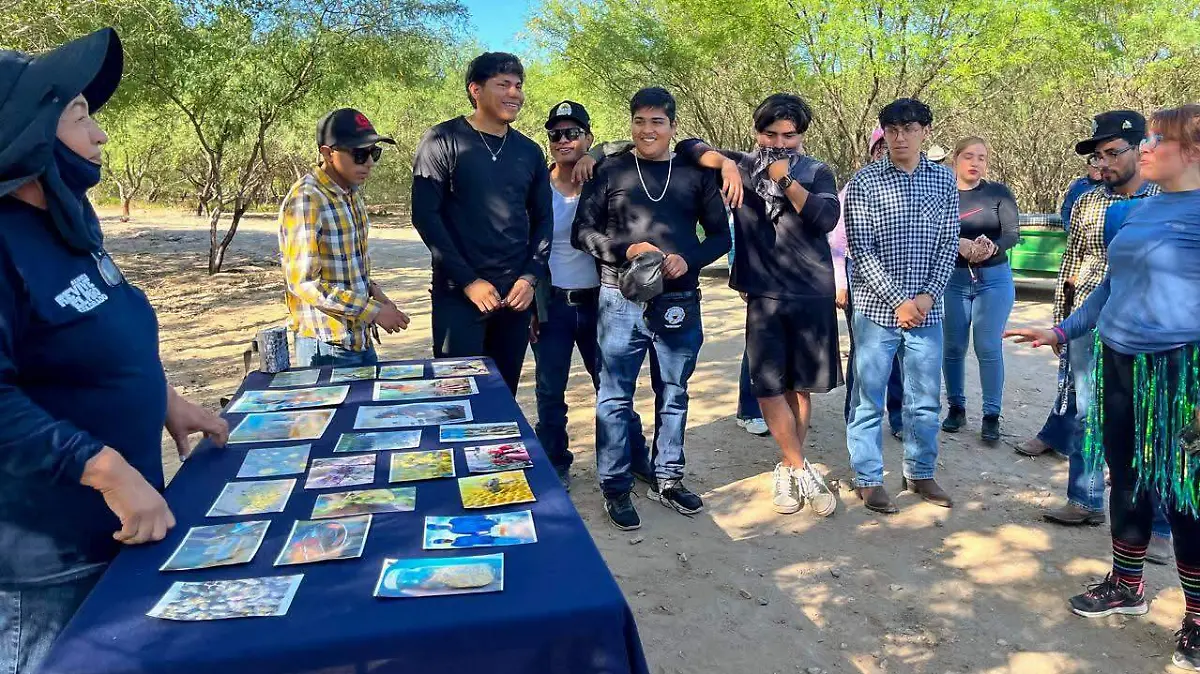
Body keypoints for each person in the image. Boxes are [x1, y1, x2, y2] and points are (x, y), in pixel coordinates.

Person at [0, 29, 228, 674]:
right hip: (47, 560)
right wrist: (104, 467)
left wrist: (165, 398)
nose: (99, 135)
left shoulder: (68, 217)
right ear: (27, 131)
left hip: (120, 522)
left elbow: (94, 329)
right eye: (79, 117)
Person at [1005, 103, 1200, 673]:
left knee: (1185, 494)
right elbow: (1109, 288)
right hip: (1118, 359)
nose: (1145, 148)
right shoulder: (1137, 211)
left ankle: (1196, 616)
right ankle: (1127, 583)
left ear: (1192, 150)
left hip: (1178, 370)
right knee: (1126, 476)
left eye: (1157, 140)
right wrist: (1061, 329)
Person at [675, 93, 842, 517]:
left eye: (789, 135)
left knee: (799, 387)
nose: (780, 142)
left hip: (810, 290)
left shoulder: (819, 170)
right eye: (770, 133)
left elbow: (824, 219)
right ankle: (799, 466)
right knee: (768, 385)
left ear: (802, 135)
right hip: (764, 294)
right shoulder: (743, 165)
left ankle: (789, 466)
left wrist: (786, 180)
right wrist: (727, 164)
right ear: (757, 132)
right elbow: (687, 145)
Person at [572, 87, 730, 530]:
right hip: (618, 298)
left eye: (657, 122)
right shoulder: (609, 170)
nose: (647, 130)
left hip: (678, 301)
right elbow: (581, 233)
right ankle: (616, 485)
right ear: (631, 124)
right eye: (640, 121)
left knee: (674, 393)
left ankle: (668, 476)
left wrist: (689, 258)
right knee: (614, 396)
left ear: (672, 126)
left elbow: (720, 237)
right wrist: (626, 250)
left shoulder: (695, 175)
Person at [1017, 112, 1164, 544]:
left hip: (1147, 328)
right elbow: (1072, 264)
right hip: (1086, 320)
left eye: (1113, 153)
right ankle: (1084, 499)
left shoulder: (1165, 198)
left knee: (1149, 420)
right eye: (1099, 156)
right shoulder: (1089, 201)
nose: (1104, 164)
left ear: (1141, 149)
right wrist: (1060, 324)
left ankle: (1155, 524)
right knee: (1087, 412)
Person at [411, 52, 553, 394]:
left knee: (502, 399)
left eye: (518, 85)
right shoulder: (442, 140)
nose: (514, 93)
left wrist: (530, 279)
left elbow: (544, 219)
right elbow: (426, 217)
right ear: (475, 89)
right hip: (459, 297)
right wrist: (469, 281)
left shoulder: (529, 151)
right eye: (503, 84)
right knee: (456, 399)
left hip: (514, 298)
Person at [843, 98, 959, 514]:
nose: (900, 136)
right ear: (883, 133)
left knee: (925, 398)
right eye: (892, 129)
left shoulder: (944, 182)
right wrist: (899, 301)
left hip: (929, 310)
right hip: (877, 311)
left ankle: (921, 471)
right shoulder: (864, 182)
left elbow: (949, 243)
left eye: (909, 128)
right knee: (868, 397)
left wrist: (926, 297)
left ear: (925, 132)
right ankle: (868, 478)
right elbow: (861, 248)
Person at [529, 100, 650, 490]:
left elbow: (638, 143)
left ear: (588, 137)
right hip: (552, 305)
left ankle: (633, 456)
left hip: (600, 303)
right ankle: (555, 460)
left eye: (573, 133)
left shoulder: (605, 176)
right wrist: (531, 303)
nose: (563, 140)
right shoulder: (536, 185)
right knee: (550, 390)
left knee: (613, 386)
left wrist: (595, 156)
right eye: (556, 134)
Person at [278, 108, 410, 367]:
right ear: (328, 153)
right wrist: (373, 312)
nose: (369, 163)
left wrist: (377, 296)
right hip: (326, 347)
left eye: (374, 153)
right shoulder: (307, 199)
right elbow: (304, 283)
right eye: (360, 154)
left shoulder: (351, 194)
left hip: (358, 339)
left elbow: (348, 265)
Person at [939, 137, 1019, 442]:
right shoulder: (942, 194)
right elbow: (935, 233)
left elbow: (1012, 234)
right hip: (954, 281)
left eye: (982, 158)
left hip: (994, 280)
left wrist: (992, 247)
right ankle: (956, 409)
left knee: (987, 347)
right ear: (956, 160)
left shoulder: (998, 192)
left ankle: (991, 415)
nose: (975, 163)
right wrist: (958, 244)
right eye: (969, 156)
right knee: (954, 347)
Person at [833, 128, 905, 439]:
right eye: (880, 147)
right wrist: (840, 281)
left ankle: (900, 416)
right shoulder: (855, 187)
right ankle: (856, 415)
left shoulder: (915, 185)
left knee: (902, 350)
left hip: (904, 273)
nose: (885, 153)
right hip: (859, 273)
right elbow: (837, 240)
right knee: (864, 348)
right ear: (874, 151)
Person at [1060, 163, 1104, 230]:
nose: (1097, 169)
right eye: (1094, 166)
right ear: (1088, 167)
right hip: (1079, 233)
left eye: (1099, 166)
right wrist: (1069, 227)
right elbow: (1066, 209)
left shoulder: (1112, 186)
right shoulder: (1077, 185)